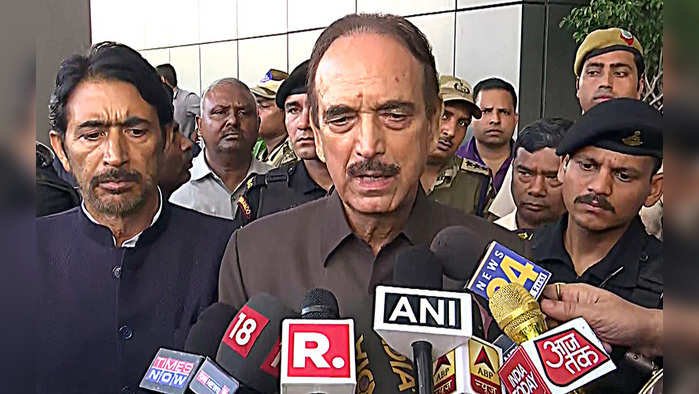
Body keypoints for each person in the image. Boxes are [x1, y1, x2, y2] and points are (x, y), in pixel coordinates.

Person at [218, 14, 527, 393]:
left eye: (395, 114)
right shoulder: (251, 256)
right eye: (341, 118)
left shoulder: (503, 261)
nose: (368, 145)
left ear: (433, 123)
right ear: (314, 132)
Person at [38, 42, 235, 392]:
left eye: (135, 131)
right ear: (61, 150)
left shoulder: (228, 250)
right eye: (92, 134)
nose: (115, 156)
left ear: (168, 138)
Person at [531, 98, 662, 393]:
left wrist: (651, 328)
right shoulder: (516, 253)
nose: (600, 187)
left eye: (623, 175)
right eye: (587, 166)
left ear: (653, 190)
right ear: (563, 167)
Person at [488, 28, 663, 239]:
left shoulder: (668, 158)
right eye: (593, 72)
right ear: (577, 86)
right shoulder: (544, 148)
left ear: (640, 86)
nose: (606, 82)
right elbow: (507, 225)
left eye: (620, 73)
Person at [234, 60, 332, 228]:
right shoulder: (263, 197)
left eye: (316, 109)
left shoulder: (368, 190)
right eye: (293, 110)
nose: (303, 123)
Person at [170, 78, 272, 219]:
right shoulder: (176, 189)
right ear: (199, 125)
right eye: (220, 112)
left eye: (243, 112)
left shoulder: (277, 184)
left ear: (258, 123)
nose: (233, 121)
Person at [421, 75, 492, 217]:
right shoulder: (392, 171)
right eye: (444, 116)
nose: (451, 131)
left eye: (462, 123)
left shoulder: (477, 182)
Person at [494, 118, 571, 232]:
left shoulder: (592, 247)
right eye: (525, 174)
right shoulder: (487, 238)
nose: (536, 189)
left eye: (552, 177)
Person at [455, 77, 518, 195]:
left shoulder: (529, 165)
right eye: (486, 111)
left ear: (515, 119)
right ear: (472, 118)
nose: (495, 120)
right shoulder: (451, 163)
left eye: (504, 112)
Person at [250, 68, 298, 167]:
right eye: (255, 105)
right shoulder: (261, 154)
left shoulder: (293, 158)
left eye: (264, 106)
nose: (255, 112)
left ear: (286, 112)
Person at [156, 63, 200, 140]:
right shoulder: (159, 100)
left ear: (162, 79)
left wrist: (197, 132)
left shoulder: (187, 98)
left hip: (183, 149)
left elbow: (209, 113)